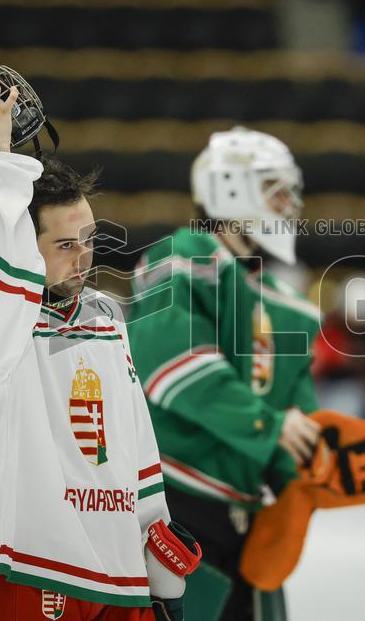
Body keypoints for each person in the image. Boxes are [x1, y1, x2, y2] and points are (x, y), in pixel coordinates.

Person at [0, 57, 200, 621]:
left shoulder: (105, 316)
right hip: (27, 574)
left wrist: (162, 578)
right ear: (23, 244)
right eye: (64, 245)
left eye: (89, 239)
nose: (85, 257)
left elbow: (134, 447)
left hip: (120, 578)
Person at [125, 127, 325, 621]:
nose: (290, 204)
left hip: (247, 518)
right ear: (232, 189)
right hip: (172, 505)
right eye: (276, 189)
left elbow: (299, 413)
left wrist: (310, 478)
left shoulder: (292, 306)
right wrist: (271, 428)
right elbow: (173, 371)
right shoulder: (182, 255)